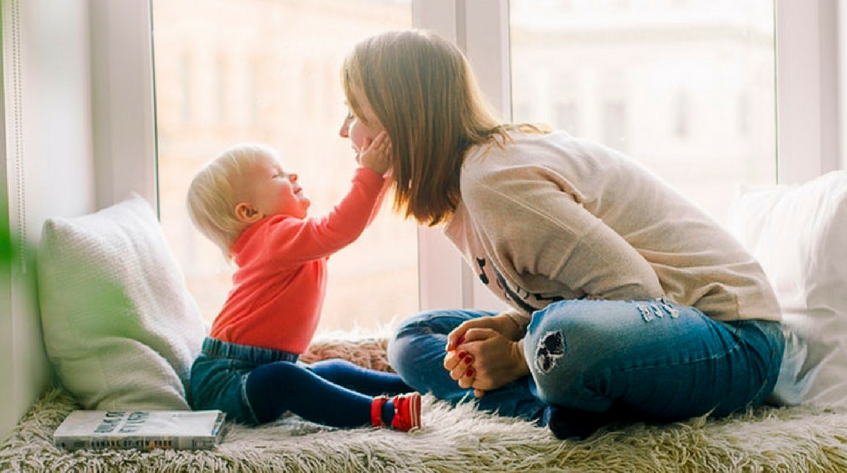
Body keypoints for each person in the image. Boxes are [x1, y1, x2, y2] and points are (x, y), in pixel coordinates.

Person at [340, 29, 785, 439]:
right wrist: (516, 329)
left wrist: (516, 355)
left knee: (561, 339)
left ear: (403, 122)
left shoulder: (494, 181)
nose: (345, 130)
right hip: (639, 330)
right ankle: (560, 407)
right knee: (414, 337)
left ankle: (557, 396)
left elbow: (637, 292)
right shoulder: (464, 192)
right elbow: (579, 299)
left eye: (357, 112)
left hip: (733, 340)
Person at [184, 138, 422, 432]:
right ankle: (383, 413)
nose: (292, 176)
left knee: (332, 370)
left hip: (258, 367)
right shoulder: (274, 238)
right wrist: (370, 174)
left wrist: (382, 180)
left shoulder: (285, 242)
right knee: (284, 379)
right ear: (248, 212)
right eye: (277, 175)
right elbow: (341, 227)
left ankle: (415, 385)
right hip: (226, 382)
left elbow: (348, 229)